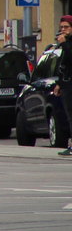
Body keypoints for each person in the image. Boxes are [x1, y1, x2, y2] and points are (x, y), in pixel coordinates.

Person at [52, 15, 72, 156]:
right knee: (69, 115)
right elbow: (63, 66)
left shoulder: (68, 43)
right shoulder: (66, 43)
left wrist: (64, 43)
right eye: (62, 27)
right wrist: (59, 84)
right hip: (66, 84)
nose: (63, 30)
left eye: (66, 27)